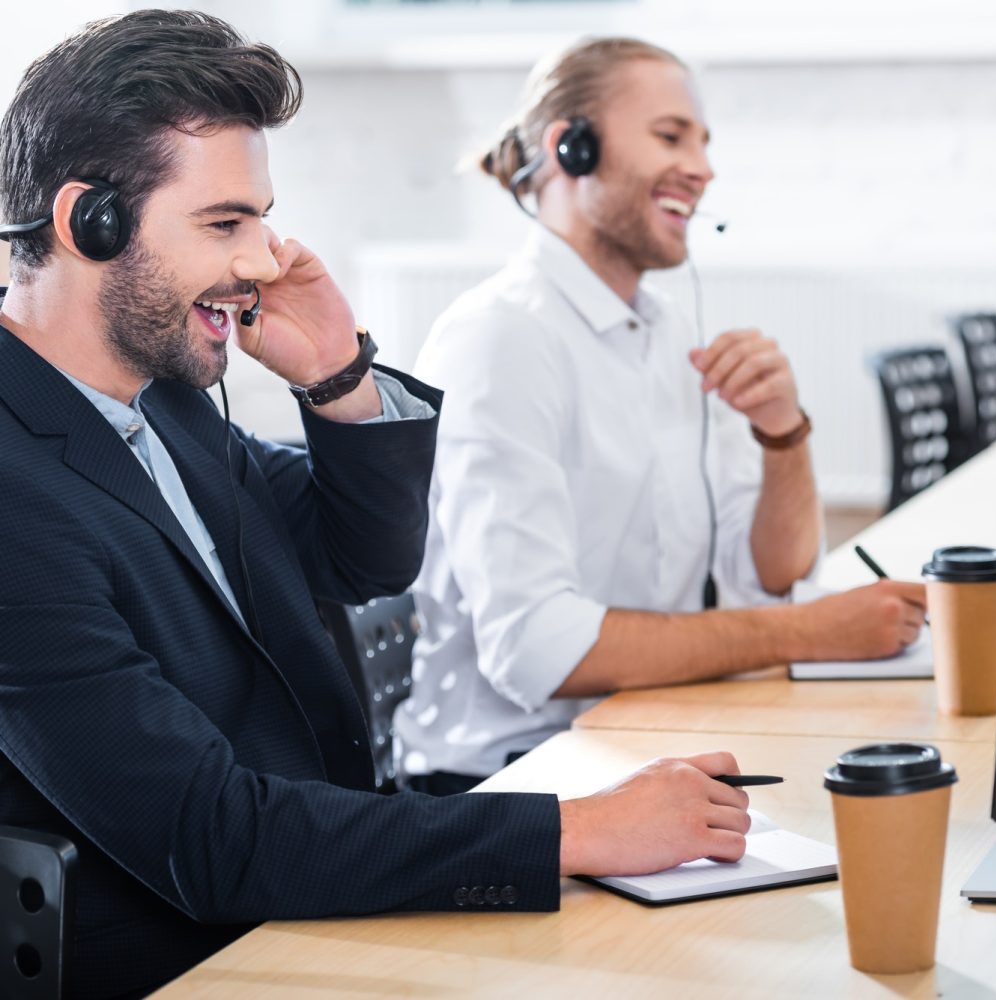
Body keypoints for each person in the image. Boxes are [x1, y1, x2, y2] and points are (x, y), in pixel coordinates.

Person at [0, 13, 752, 998]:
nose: (265, 261)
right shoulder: (16, 494)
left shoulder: (169, 408)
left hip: (320, 905)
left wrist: (339, 379)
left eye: (261, 220)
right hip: (195, 959)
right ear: (87, 221)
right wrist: (575, 830)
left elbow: (363, 560)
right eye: (226, 223)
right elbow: (208, 835)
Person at [395, 36, 927, 794]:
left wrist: (784, 435)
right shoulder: (502, 337)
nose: (704, 168)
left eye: (703, 143)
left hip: (640, 738)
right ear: (571, 147)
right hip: (510, 782)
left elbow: (766, 578)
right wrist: (812, 630)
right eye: (670, 135)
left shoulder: (668, 330)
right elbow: (540, 650)